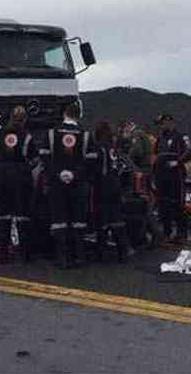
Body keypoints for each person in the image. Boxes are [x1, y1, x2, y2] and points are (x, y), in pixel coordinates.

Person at [41, 102, 96, 268]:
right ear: (78, 114)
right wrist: (75, 174)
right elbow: (91, 159)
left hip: (57, 184)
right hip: (78, 184)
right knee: (78, 219)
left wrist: (58, 173)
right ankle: (80, 256)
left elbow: (44, 156)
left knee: (59, 219)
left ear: (64, 113)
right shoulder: (86, 134)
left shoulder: (51, 133)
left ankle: (62, 258)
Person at [0, 106, 37, 264]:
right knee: (22, 214)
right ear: (24, 119)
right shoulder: (27, 136)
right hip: (20, 175)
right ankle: (24, 254)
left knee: (1, 214)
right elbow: (35, 159)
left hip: (0, 175)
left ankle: (2, 253)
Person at [152, 113, 191, 242]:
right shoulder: (159, 138)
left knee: (178, 205)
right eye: (159, 124)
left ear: (169, 122)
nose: (160, 126)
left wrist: (178, 162)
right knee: (163, 204)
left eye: (162, 123)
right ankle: (166, 233)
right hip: (161, 176)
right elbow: (154, 155)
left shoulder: (181, 137)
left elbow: (190, 151)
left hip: (176, 176)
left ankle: (181, 234)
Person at [91, 121, 130, 262]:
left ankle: (100, 252)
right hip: (115, 186)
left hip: (103, 187)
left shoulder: (99, 148)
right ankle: (123, 251)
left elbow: (95, 168)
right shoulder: (112, 148)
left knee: (101, 221)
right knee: (117, 220)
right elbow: (120, 165)